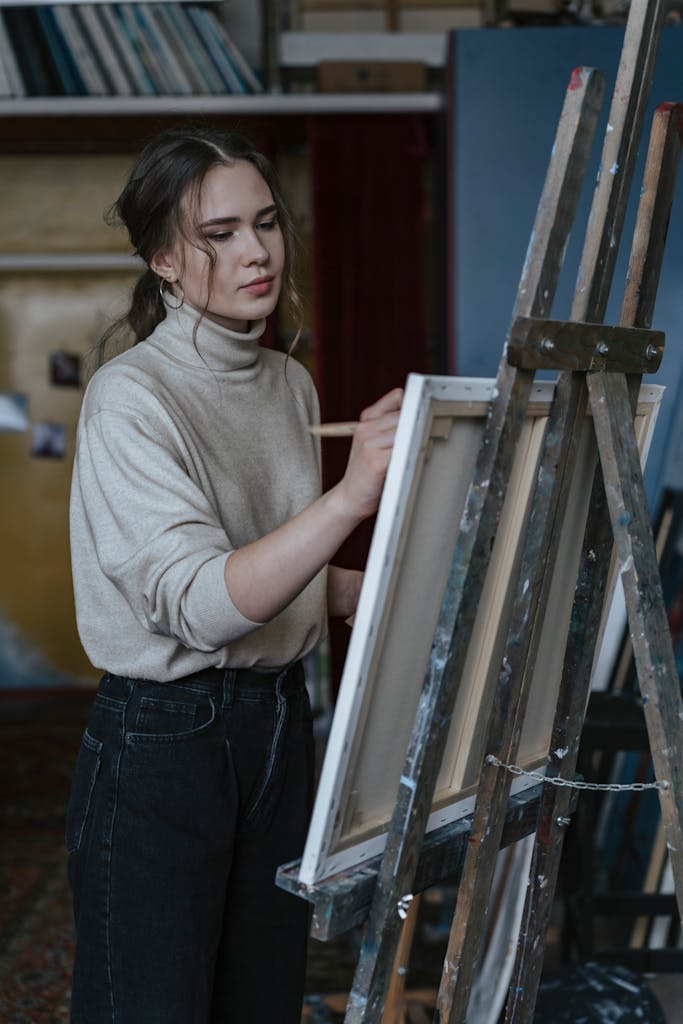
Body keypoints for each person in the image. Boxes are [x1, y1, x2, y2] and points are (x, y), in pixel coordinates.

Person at [66, 122, 402, 1024]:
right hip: (164, 743)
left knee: (259, 1004)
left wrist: (382, 594)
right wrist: (351, 500)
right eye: (219, 235)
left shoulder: (288, 385)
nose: (257, 252)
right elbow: (204, 606)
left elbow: (272, 578)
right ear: (164, 259)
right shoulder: (130, 397)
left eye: (267, 222)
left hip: (278, 721)